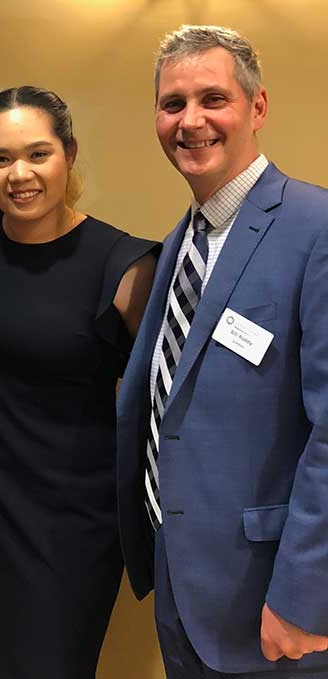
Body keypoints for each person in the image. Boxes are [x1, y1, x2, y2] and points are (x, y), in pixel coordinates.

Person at [0, 86, 158, 679]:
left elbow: (163, 399)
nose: (18, 174)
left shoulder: (124, 265)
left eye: (38, 154)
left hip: (72, 516)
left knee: (54, 662)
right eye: (0, 159)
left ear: (69, 153)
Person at [116, 24, 328, 678]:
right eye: (173, 104)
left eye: (214, 99)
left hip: (275, 604)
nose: (191, 120)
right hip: (184, 587)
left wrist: (306, 595)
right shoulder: (183, 238)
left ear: (257, 107)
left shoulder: (314, 229)